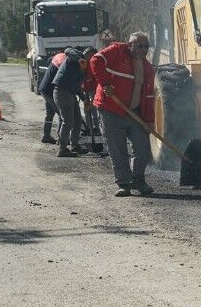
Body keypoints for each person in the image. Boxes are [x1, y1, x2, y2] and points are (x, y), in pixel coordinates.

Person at [89, 32, 156, 197]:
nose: (143, 49)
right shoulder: (117, 51)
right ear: (130, 44)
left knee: (142, 148)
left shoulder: (147, 68)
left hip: (134, 113)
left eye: (146, 46)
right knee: (118, 150)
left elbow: (148, 97)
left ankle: (138, 179)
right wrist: (105, 83)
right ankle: (124, 184)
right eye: (139, 45)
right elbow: (95, 60)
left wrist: (148, 120)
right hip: (111, 109)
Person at [51, 47, 90, 157]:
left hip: (71, 93)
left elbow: (77, 87)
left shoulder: (84, 68)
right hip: (62, 92)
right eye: (91, 57)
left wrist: (84, 99)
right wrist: (79, 59)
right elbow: (67, 50)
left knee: (77, 120)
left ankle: (75, 145)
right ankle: (62, 149)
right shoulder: (75, 58)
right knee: (68, 121)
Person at [37, 50, 69, 145]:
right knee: (61, 114)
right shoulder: (64, 62)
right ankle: (61, 139)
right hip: (50, 91)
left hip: (44, 89)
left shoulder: (58, 58)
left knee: (50, 114)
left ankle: (46, 136)